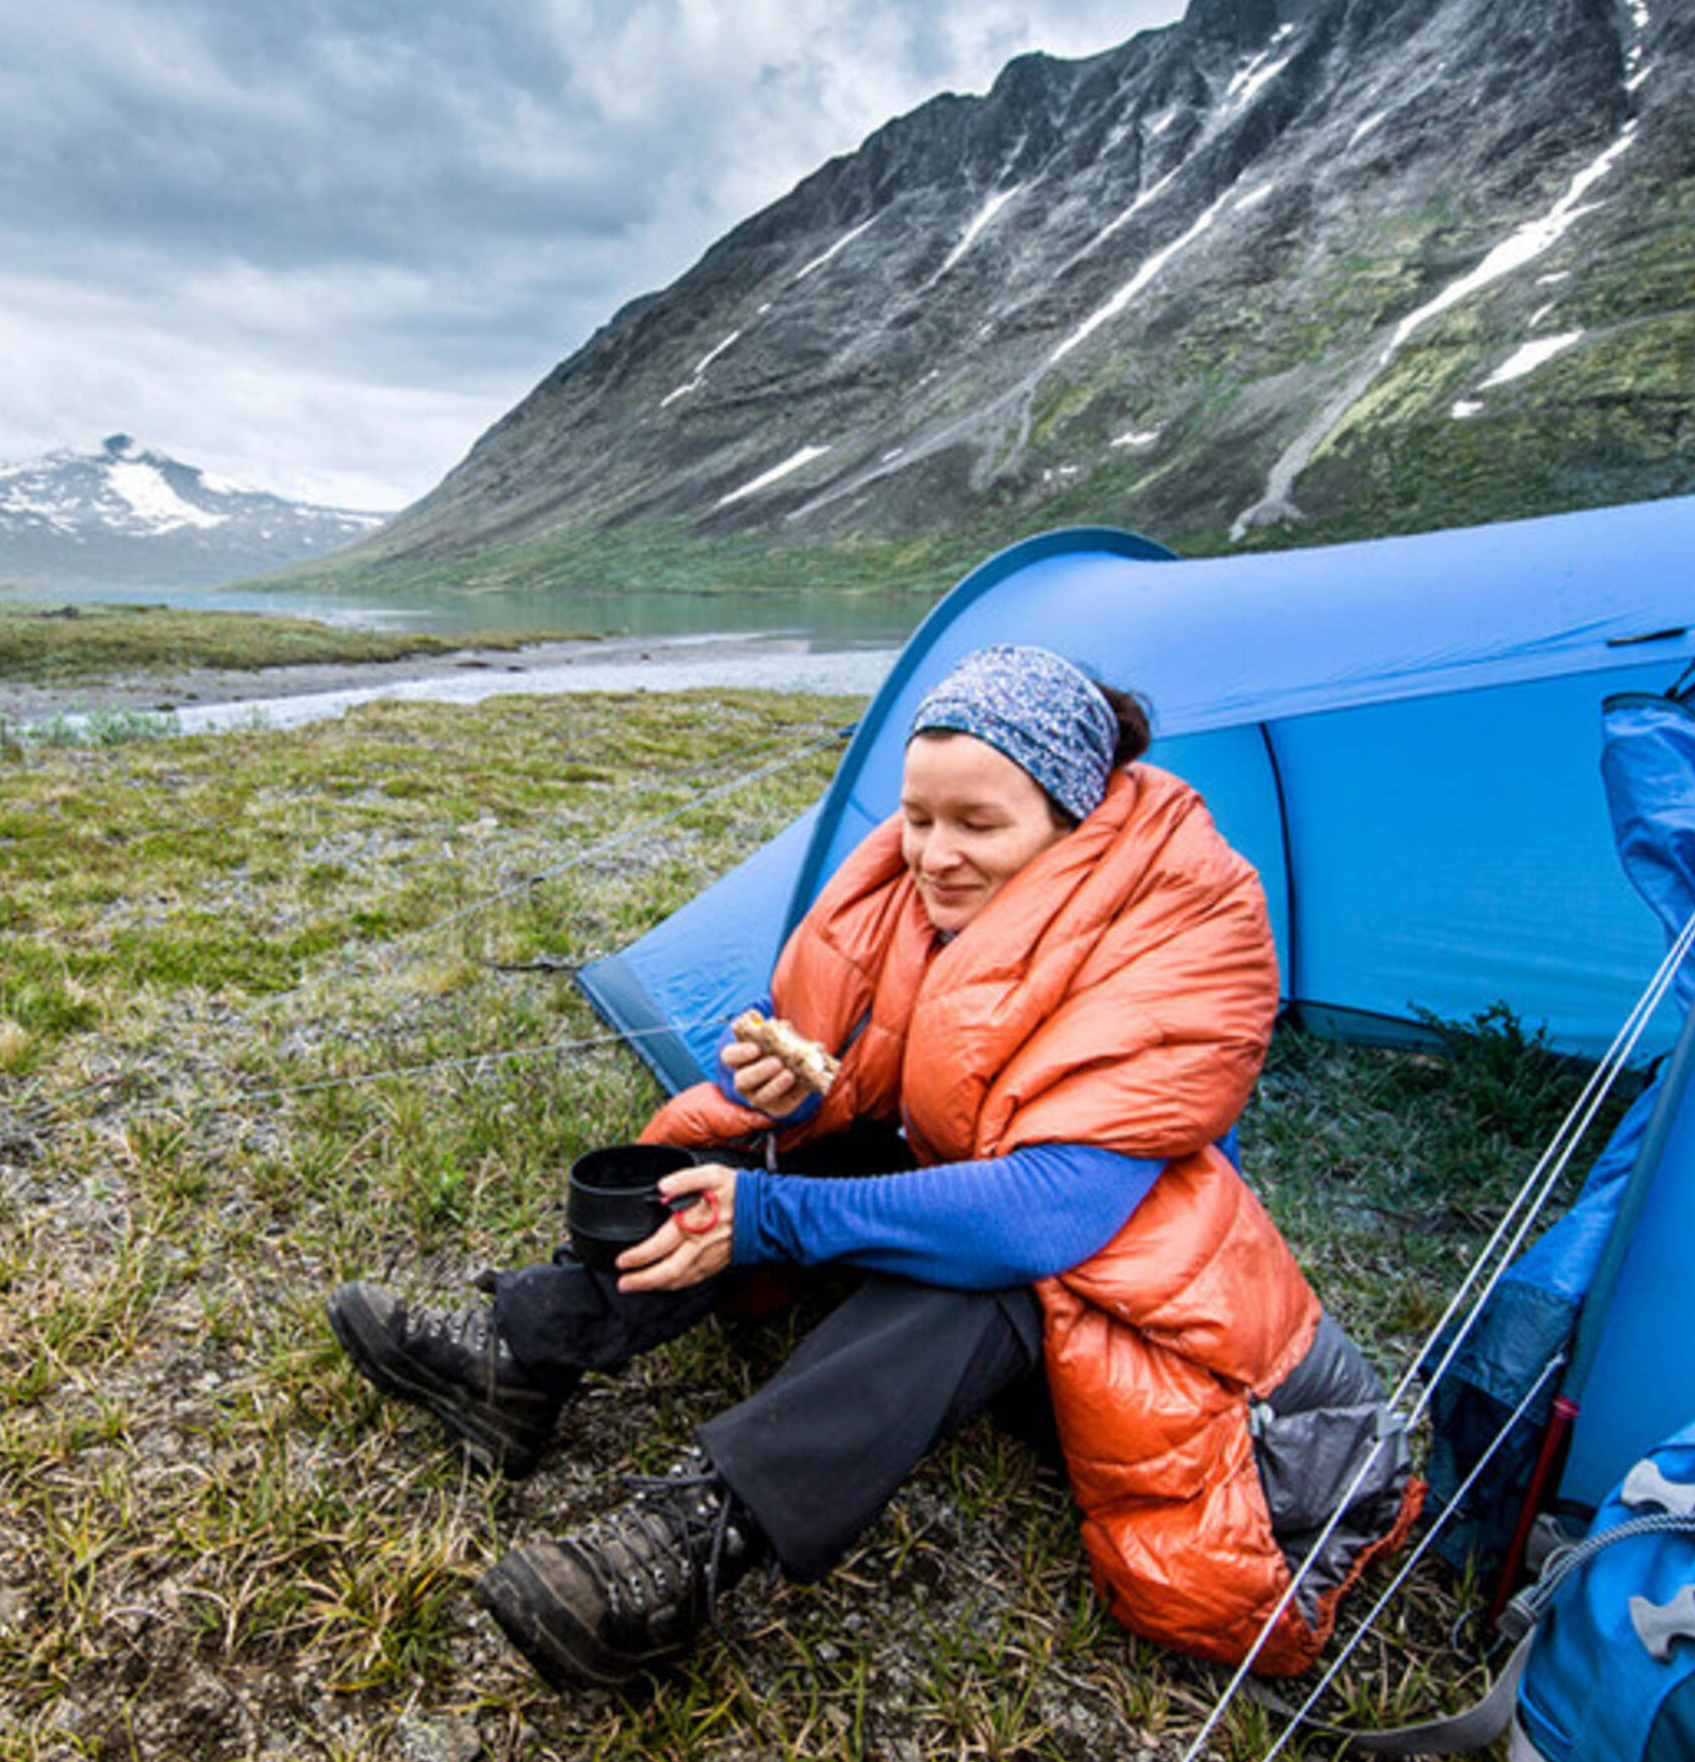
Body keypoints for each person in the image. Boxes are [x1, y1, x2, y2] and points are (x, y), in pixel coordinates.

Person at [328, 645, 1419, 1690]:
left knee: (989, 1268)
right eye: (917, 816)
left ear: (1070, 820)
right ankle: (522, 1356)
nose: (933, 853)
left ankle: (697, 1536)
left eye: (976, 822)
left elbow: (1052, 1212)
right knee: (786, 1158)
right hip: (1017, 1235)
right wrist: (788, 1095)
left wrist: (772, 1217)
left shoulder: (1181, 923)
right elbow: (895, 1081)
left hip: (1176, 1359)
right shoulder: (932, 890)